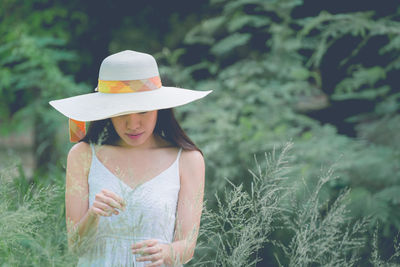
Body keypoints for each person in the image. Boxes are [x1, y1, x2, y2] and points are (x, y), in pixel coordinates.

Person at [49, 50, 212, 266]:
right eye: (122, 113)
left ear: (159, 109)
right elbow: (76, 247)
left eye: (143, 112)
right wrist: (93, 215)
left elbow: (187, 247)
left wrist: (166, 252)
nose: (133, 125)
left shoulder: (188, 160)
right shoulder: (83, 155)